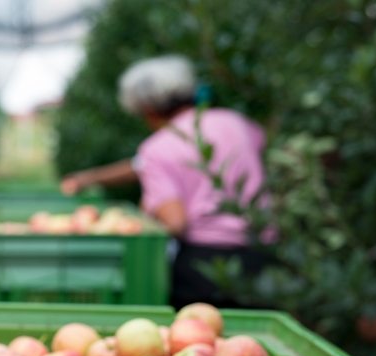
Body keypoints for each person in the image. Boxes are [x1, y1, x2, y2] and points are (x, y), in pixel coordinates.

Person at [61, 55, 270, 309]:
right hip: (264, 258)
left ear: (148, 111)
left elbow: (175, 222)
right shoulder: (236, 123)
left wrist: (148, 210)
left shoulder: (158, 148)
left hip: (204, 268)